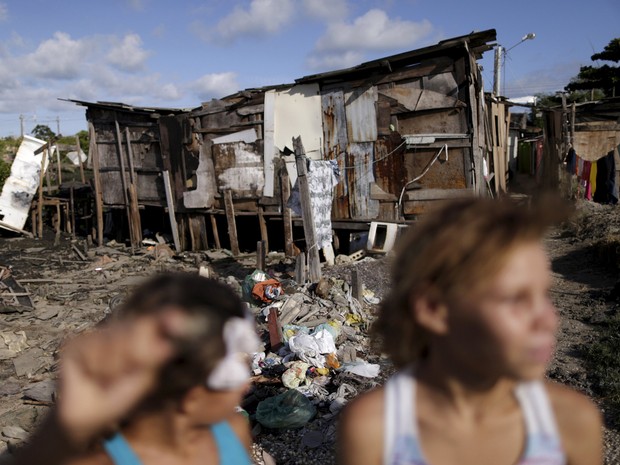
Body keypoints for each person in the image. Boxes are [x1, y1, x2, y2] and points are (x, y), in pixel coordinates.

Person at [338, 197, 602, 465]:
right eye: (515, 299)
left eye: (544, 295)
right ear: (433, 308)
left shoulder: (570, 423)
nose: (548, 320)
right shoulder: (376, 430)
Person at [9, 272, 259, 465]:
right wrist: (64, 427)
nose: (247, 384)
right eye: (235, 371)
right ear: (191, 389)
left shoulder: (230, 431)